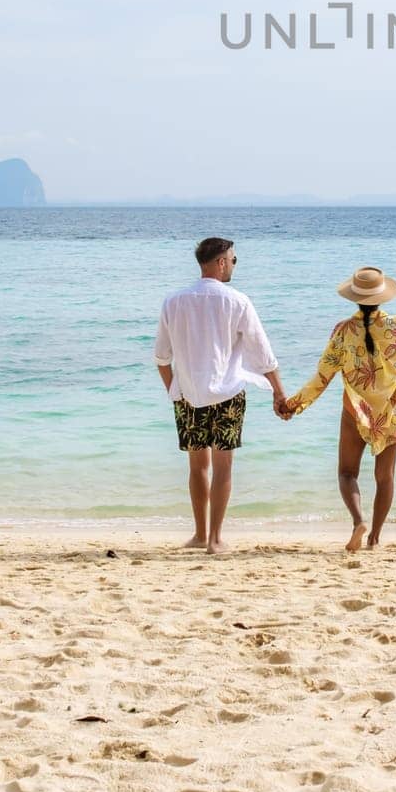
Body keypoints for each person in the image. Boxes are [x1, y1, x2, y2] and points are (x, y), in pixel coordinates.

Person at [280, 266, 396, 552]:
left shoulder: (343, 331)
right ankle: (374, 538)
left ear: (354, 298)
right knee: (385, 477)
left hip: (356, 411)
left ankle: (357, 521)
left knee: (347, 474)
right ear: (383, 297)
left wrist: (293, 404)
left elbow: (322, 378)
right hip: (392, 413)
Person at [154, 236, 288, 555]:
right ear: (222, 262)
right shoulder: (237, 301)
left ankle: (200, 535)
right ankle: (215, 540)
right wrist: (279, 394)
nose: (234, 266)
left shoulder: (173, 302)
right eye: (234, 260)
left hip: (188, 397)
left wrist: (176, 390)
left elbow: (161, 358)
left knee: (197, 467)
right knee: (223, 467)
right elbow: (263, 353)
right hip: (228, 395)